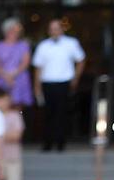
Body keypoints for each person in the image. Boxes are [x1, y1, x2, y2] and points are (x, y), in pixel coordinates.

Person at [32, 18, 86, 152]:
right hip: (47, 83)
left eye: (56, 28)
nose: (54, 31)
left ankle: (61, 143)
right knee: (48, 114)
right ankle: (47, 143)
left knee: (62, 114)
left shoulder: (71, 43)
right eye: (52, 29)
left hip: (63, 83)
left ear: (61, 29)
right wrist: (37, 86)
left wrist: (75, 78)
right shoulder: (43, 46)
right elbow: (38, 68)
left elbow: (81, 60)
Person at [0, 18, 33, 109]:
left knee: (18, 107)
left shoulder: (24, 45)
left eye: (18, 31)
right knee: (2, 105)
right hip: (2, 79)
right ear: (7, 31)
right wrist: (6, 76)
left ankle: (17, 121)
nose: (17, 33)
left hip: (19, 79)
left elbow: (25, 62)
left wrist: (13, 74)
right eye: (14, 30)